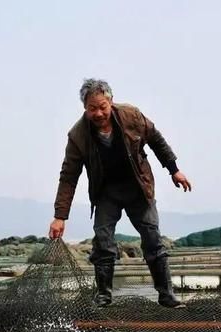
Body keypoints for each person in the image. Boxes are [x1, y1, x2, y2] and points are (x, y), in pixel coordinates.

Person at [48, 78, 192, 308]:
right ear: (85, 108)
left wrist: (174, 170)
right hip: (106, 193)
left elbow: (156, 140)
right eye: (91, 108)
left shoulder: (131, 116)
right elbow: (68, 176)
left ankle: (166, 294)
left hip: (138, 186)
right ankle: (103, 295)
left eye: (102, 107)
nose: (98, 113)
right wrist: (60, 216)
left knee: (153, 239)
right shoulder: (77, 136)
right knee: (103, 242)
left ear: (111, 101)